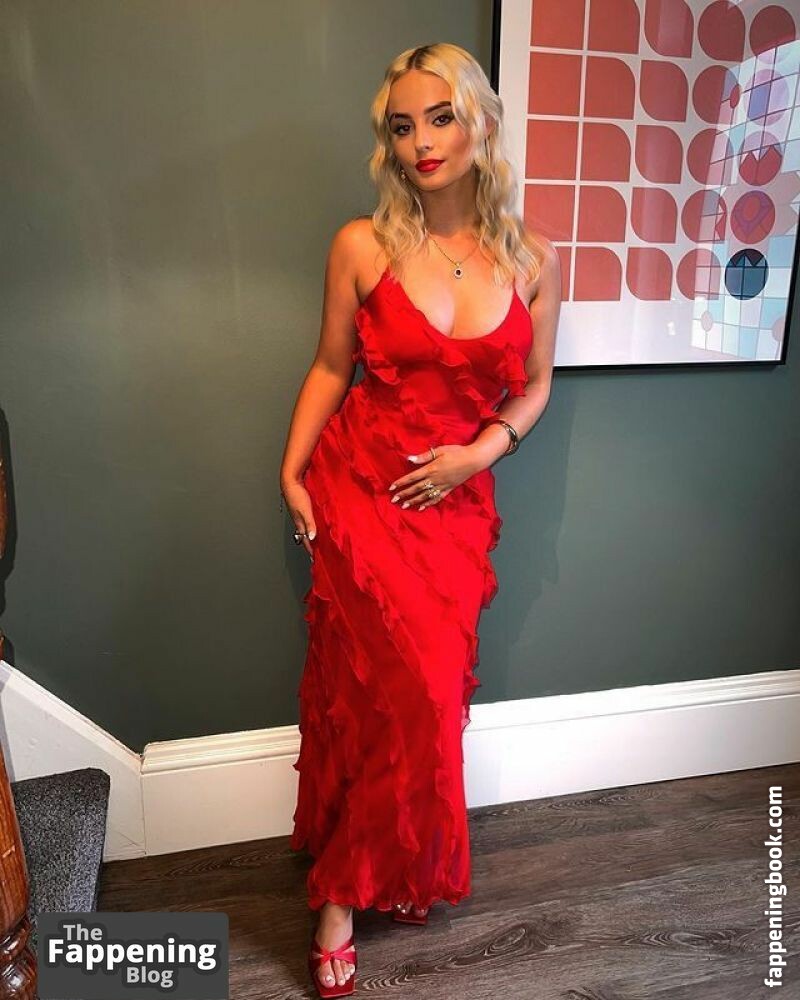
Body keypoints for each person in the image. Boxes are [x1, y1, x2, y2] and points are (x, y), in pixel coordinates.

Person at [279, 42, 560, 997]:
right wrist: (290, 469)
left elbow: (535, 387)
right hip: (360, 492)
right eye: (403, 127)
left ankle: (372, 858)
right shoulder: (362, 245)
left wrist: (481, 452)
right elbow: (332, 366)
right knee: (379, 694)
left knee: (428, 699)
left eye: (440, 118)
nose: (422, 142)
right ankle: (339, 894)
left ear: (480, 122)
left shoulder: (532, 263)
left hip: (455, 509)